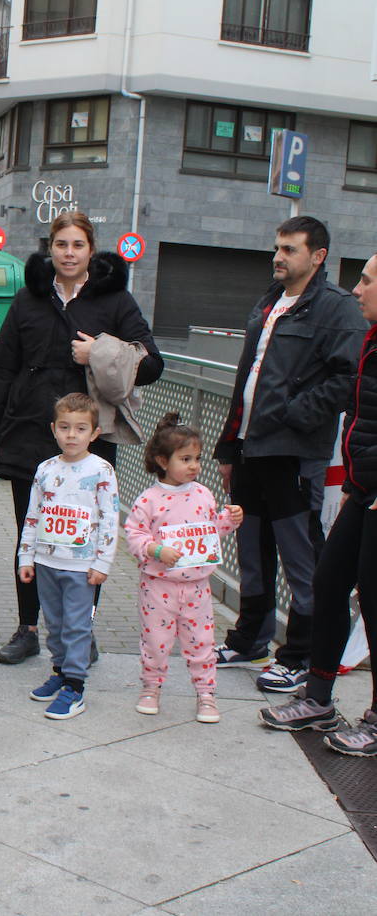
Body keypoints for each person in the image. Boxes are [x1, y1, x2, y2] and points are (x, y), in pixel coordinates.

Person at [0, 211, 161, 666]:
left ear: (90, 250)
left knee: (85, 535)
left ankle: (82, 630)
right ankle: (27, 629)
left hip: (89, 440)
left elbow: (152, 364)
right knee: (30, 533)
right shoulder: (27, 299)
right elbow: (2, 368)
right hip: (28, 431)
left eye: (78, 245)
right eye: (61, 244)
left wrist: (98, 350)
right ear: (50, 249)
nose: (69, 253)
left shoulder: (114, 299)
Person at [213, 216, 366, 693]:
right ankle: (250, 638)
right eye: (276, 248)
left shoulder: (336, 308)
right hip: (250, 448)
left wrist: (295, 413)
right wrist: (227, 445)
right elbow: (246, 379)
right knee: (252, 551)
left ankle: (298, 654)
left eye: (290, 249)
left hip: (294, 453)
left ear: (317, 255)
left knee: (302, 558)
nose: (278, 257)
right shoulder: (268, 303)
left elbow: (347, 380)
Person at [259, 252, 377, 755]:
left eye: (368, 280)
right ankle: (319, 697)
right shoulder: (373, 338)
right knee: (330, 583)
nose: (357, 289)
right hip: (363, 489)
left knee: (374, 605)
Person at [124, 415, 242, 723]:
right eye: (185, 459)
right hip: (158, 585)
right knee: (155, 642)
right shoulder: (148, 499)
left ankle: (206, 694)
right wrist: (155, 549)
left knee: (201, 642)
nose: (194, 465)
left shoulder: (202, 494)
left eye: (197, 459)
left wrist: (228, 520)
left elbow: (210, 530)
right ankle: (151, 688)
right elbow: (134, 533)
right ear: (163, 461)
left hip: (197, 587)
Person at [19, 393, 118, 721]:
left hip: (81, 567)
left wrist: (102, 563)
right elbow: (33, 515)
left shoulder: (101, 470)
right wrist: (26, 557)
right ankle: (60, 671)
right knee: (56, 623)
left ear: (94, 433)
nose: (71, 435)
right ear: (54, 429)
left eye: (80, 428)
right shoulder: (45, 469)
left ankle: (75, 687)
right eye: (65, 427)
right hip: (48, 562)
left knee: (77, 626)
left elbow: (110, 518)